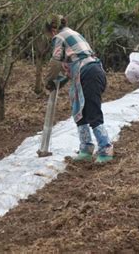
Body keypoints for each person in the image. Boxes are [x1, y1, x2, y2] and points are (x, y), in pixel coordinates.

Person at [44, 15, 113, 163]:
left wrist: (48, 81)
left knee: (92, 111)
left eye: (49, 35)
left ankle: (106, 149)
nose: (50, 38)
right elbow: (72, 65)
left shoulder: (60, 37)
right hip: (90, 71)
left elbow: (55, 63)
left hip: (88, 73)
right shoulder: (74, 34)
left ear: (53, 30)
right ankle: (86, 148)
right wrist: (60, 82)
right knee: (79, 110)